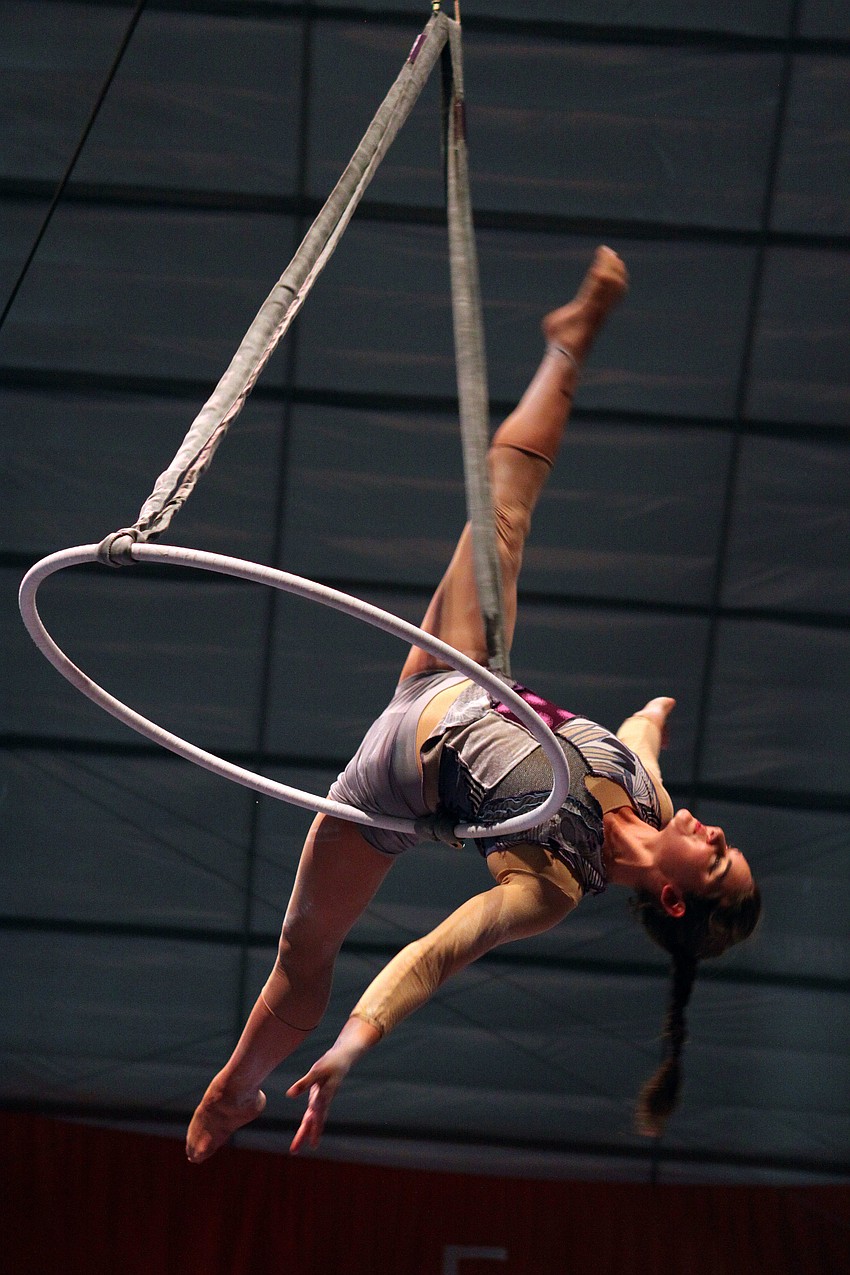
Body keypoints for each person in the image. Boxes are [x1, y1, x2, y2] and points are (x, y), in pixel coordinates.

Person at [186, 246, 760, 1164]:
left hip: (389, 785)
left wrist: (353, 1046)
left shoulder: (551, 888)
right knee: (506, 496)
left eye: (718, 862)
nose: (719, 835)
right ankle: (569, 347)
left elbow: (437, 951)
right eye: (731, 844)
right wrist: (656, 710)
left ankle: (237, 1082)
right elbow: (642, 734)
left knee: (306, 949)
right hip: (454, 673)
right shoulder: (647, 788)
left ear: (675, 900)